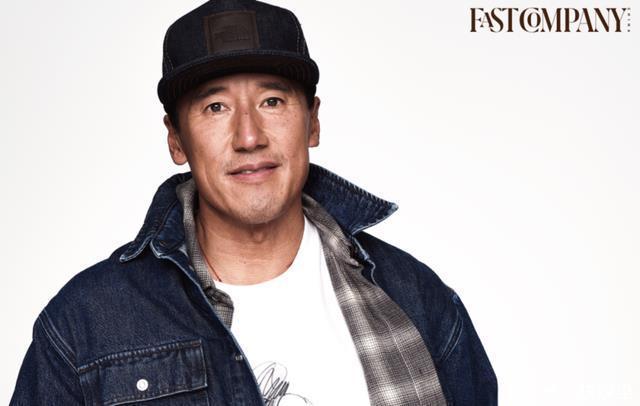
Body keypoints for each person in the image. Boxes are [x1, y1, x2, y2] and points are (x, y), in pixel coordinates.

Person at [10, 0, 497, 405]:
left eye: (272, 101)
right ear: (176, 139)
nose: (249, 136)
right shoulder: (84, 325)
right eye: (215, 107)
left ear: (312, 122)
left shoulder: (417, 300)